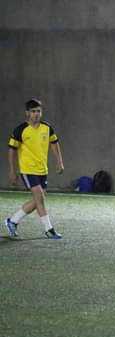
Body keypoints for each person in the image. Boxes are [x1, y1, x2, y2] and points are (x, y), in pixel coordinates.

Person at [5, 98, 65, 239]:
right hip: (27, 170)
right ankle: (49, 229)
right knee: (40, 198)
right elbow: (12, 150)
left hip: (42, 170)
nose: (36, 114)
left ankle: (13, 221)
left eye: (38, 111)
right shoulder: (20, 130)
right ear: (27, 113)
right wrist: (12, 170)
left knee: (38, 200)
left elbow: (54, 143)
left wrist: (59, 162)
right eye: (33, 111)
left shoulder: (47, 128)